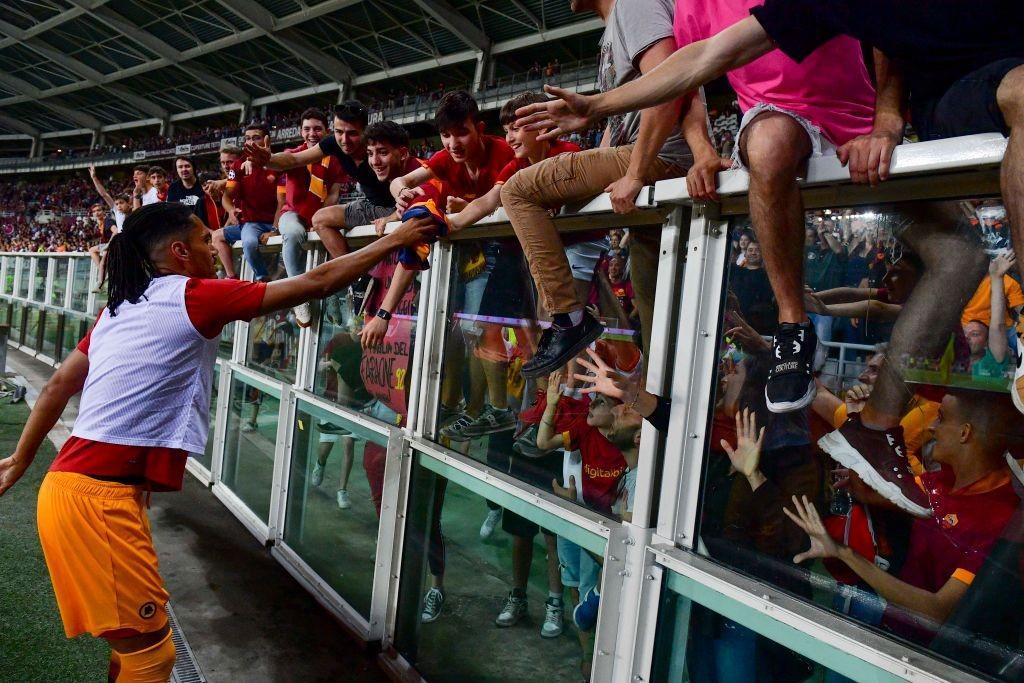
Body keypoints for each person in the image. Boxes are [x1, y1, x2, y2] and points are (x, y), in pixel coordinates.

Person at [516, 0, 1024, 505]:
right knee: (770, 145)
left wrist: (886, 123)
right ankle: (792, 328)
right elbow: (696, 66)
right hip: (780, 120)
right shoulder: (699, 7)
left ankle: (875, 426)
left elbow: (886, 33)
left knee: (959, 251)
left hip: (858, 123)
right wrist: (613, 112)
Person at [0, 202, 433, 683]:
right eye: (207, 240)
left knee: (135, 648)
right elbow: (316, 282)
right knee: (151, 657)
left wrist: (22, 458)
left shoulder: (117, 308)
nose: (214, 247)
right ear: (181, 251)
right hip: (97, 503)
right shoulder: (194, 295)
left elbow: (60, 383)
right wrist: (396, 238)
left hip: (78, 492)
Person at [500, 0, 697, 380]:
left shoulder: (634, 6)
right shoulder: (614, 27)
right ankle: (662, 415)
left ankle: (568, 319)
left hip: (657, 157)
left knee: (519, 191)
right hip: (645, 163)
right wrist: (571, 187)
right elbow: (621, 125)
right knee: (661, 336)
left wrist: (636, 172)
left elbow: (673, 83)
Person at [786, 390, 1021, 642]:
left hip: (932, 660)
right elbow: (870, 490)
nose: (931, 427)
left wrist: (844, 553)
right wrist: (861, 423)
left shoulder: (999, 516)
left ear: (965, 433)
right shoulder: (939, 482)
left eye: (940, 418)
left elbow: (938, 610)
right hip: (896, 633)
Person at [246, 102, 391, 261]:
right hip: (369, 205)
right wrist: (269, 159)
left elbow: (405, 178)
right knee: (319, 219)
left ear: (365, 131)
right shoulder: (333, 143)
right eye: (339, 132)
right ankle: (356, 277)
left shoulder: (380, 145)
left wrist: (396, 214)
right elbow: (294, 159)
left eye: (352, 133)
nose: (344, 140)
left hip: (396, 207)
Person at [245, 109, 346, 326]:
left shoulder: (335, 159)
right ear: (301, 132)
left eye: (318, 129)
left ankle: (335, 296)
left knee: (333, 243)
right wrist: (269, 158)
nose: (312, 133)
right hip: (292, 214)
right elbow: (284, 161)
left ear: (326, 131)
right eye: (307, 129)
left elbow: (335, 194)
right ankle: (298, 295)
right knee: (291, 233)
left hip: (321, 216)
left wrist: (319, 218)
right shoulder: (295, 153)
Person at [310, 119, 423, 255]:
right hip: (381, 210)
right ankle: (349, 272)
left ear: (403, 154)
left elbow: (421, 208)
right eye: (370, 154)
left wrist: (392, 217)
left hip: (411, 230)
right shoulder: (380, 171)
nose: (375, 161)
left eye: (382, 152)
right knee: (319, 218)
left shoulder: (421, 171)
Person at [211, 125, 283, 290]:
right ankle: (263, 279)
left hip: (277, 221)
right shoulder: (236, 167)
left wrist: (275, 228)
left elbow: (282, 202)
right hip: (252, 224)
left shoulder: (278, 164)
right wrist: (231, 210)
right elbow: (227, 196)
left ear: (266, 140)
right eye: (248, 138)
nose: (251, 142)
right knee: (249, 243)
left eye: (256, 137)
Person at [964, 251, 1015, 378]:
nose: (967, 337)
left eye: (975, 334)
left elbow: (997, 326)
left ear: (987, 343)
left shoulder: (994, 362)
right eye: (965, 334)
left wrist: (997, 278)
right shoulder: (950, 362)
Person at [167, 157, 219, 230]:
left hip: (206, 228)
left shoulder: (204, 185)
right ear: (176, 170)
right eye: (180, 167)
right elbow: (172, 213)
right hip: (183, 228)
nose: (184, 169)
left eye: (187, 166)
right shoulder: (173, 188)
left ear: (193, 168)